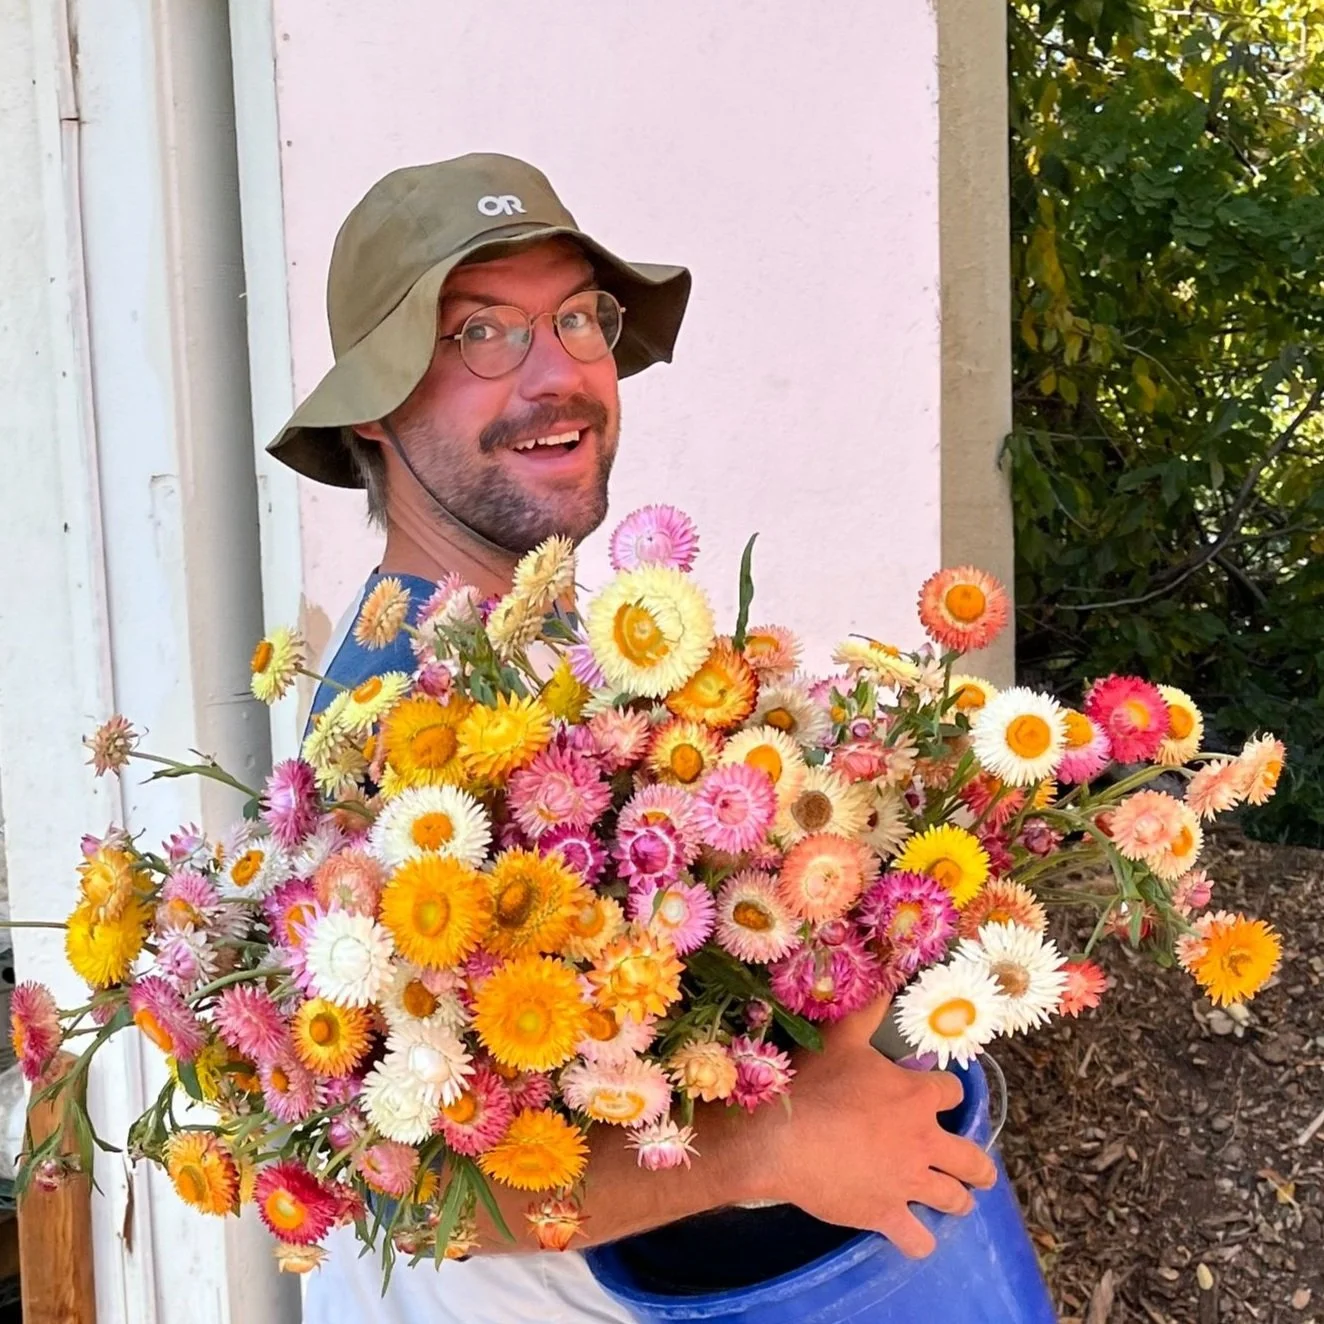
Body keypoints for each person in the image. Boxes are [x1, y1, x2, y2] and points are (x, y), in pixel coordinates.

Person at [268, 153, 998, 1324]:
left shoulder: (551, 655)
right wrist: (774, 1146)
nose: (558, 375)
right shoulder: (394, 732)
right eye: (480, 333)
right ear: (373, 404)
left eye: (577, 317)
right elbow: (398, 1188)